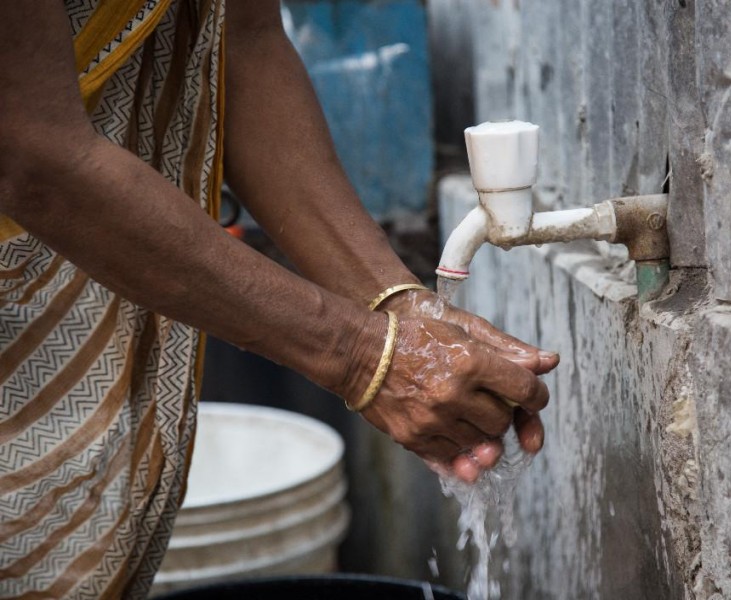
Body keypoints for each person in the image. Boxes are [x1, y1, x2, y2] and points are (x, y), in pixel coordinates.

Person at [0, 1, 559, 598]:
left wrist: (400, 310)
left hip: (111, 242)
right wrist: (366, 357)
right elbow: (29, 147)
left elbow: (243, 43)